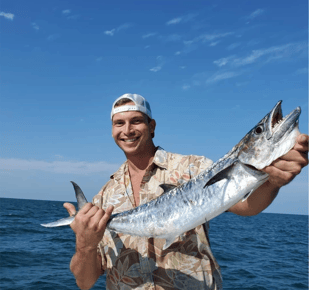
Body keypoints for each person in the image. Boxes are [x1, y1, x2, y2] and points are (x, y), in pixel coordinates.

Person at [64, 94, 308, 290]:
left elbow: (247, 206)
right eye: (119, 123)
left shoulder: (194, 167)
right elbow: (84, 282)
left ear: (151, 126)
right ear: (112, 131)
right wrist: (85, 244)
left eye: (136, 121)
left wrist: (273, 182)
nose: (127, 130)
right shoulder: (103, 198)